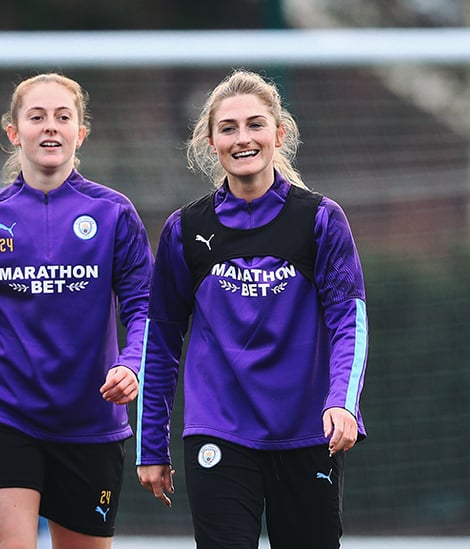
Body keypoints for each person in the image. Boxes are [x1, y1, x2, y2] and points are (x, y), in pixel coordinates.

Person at [0, 73, 153, 549]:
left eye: (63, 117)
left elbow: (146, 307)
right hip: (5, 416)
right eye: (37, 117)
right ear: (13, 131)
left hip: (92, 423)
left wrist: (131, 363)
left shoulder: (114, 214)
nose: (50, 127)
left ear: (80, 132)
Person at [136, 69, 368, 548]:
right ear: (211, 141)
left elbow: (350, 321)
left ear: (279, 133)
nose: (243, 138)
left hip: (308, 433)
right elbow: (160, 340)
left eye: (255, 125)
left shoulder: (320, 219)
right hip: (218, 432)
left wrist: (342, 402)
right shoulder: (185, 230)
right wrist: (150, 443)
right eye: (229, 128)